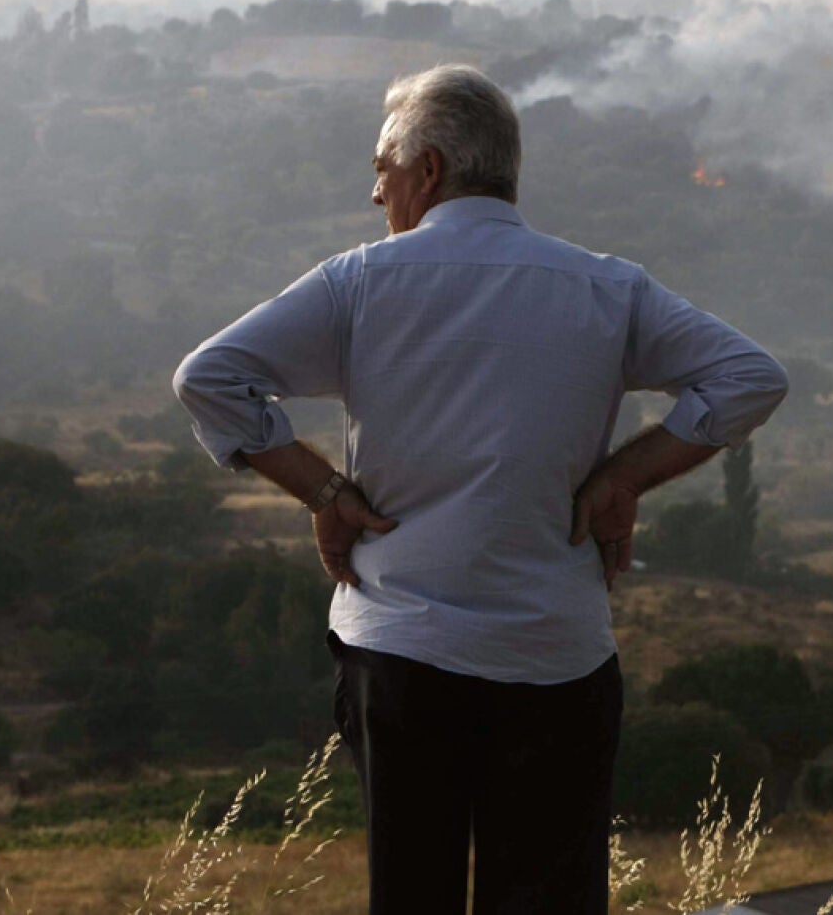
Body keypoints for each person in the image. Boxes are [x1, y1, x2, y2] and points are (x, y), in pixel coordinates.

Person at [172, 64, 788, 913]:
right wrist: (625, 475)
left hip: (401, 648)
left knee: (413, 892)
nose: (374, 188)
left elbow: (210, 376)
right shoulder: (605, 286)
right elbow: (750, 377)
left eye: (382, 165)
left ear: (427, 170)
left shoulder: (361, 282)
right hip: (556, 655)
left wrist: (322, 490)